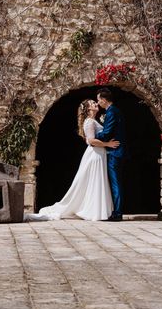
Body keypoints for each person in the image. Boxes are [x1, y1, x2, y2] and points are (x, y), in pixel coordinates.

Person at [25, 99, 118, 221]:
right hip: (95, 154)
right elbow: (91, 141)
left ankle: (97, 210)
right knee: (94, 180)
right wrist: (108, 144)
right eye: (92, 103)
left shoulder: (92, 121)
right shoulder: (89, 122)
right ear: (88, 109)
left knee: (95, 181)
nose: (96, 103)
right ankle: (93, 211)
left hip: (99, 154)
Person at [96, 87, 127, 221]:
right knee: (116, 182)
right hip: (117, 152)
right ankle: (116, 210)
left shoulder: (111, 112)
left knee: (115, 183)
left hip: (115, 153)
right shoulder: (114, 111)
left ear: (103, 99)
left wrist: (94, 135)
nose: (97, 103)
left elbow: (107, 133)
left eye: (98, 100)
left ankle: (118, 213)